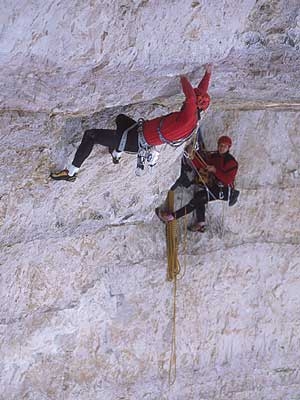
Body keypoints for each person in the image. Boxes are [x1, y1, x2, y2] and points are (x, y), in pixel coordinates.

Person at [50, 65, 212, 182]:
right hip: (139, 134)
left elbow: (191, 97)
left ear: (194, 106)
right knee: (120, 118)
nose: (185, 102)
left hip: (135, 141)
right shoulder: (194, 119)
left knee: (91, 135)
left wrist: (183, 76)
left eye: (189, 102)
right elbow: (197, 97)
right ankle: (116, 153)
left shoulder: (188, 115)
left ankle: (71, 173)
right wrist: (208, 73)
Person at [155, 135, 239, 232]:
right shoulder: (215, 156)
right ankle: (201, 223)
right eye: (221, 145)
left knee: (198, 199)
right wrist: (192, 156)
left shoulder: (231, 162)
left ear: (228, 148)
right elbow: (203, 165)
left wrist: (215, 170)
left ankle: (170, 217)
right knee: (199, 197)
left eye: (225, 146)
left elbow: (228, 180)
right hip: (217, 186)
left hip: (226, 190)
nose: (222, 148)